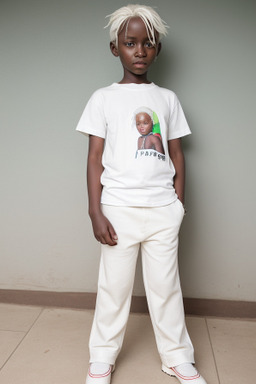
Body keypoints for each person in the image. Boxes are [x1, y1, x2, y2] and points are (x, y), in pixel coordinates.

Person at [76, 4, 207, 384]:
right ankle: (101, 357)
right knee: (113, 288)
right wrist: (95, 211)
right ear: (115, 48)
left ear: (158, 49)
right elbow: (94, 157)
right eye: (130, 43)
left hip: (163, 210)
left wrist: (178, 205)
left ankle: (177, 358)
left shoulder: (167, 98)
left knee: (166, 288)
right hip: (117, 210)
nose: (139, 50)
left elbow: (178, 155)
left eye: (147, 43)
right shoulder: (102, 98)